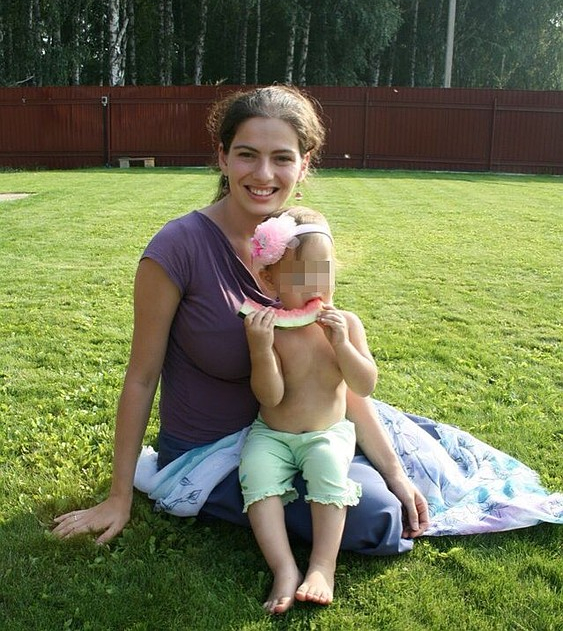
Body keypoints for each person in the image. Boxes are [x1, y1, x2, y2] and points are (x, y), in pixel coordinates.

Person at [52, 85, 429, 557]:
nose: (263, 174)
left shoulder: (304, 243)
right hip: (211, 452)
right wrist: (118, 496)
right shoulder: (177, 248)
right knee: (375, 519)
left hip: (299, 433)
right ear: (223, 157)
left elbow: (334, 375)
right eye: (247, 154)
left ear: (304, 165)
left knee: (390, 494)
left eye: (282, 158)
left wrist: (394, 471)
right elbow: (142, 377)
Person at [239, 206, 375, 613]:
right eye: (301, 276)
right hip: (273, 434)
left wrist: (342, 345)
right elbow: (270, 397)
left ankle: (322, 566)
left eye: (324, 272)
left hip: (328, 432)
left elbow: (365, 384)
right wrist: (261, 350)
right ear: (270, 279)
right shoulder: (269, 329)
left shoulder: (347, 323)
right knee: (256, 475)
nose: (316, 286)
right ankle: (283, 568)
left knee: (329, 470)